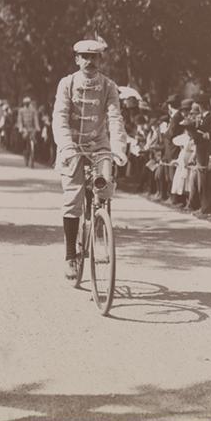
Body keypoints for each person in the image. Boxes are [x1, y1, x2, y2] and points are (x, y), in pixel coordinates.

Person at [52, 38, 127, 279]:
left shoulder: (109, 86)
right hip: (72, 146)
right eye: (84, 56)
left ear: (100, 60)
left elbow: (115, 119)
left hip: (99, 146)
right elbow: (59, 117)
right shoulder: (67, 83)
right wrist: (66, 145)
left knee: (104, 187)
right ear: (77, 59)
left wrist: (119, 149)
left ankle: (99, 227)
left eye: (93, 57)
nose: (89, 61)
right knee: (72, 197)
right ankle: (70, 256)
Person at [17, 96, 41, 162]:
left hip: (32, 128)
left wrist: (37, 127)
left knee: (34, 139)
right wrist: (21, 127)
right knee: (24, 139)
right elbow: (20, 120)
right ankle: (24, 151)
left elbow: (36, 119)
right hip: (24, 128)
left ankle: (33, 153)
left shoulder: (33, 110)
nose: (27, 104)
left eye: (28, 103)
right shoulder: (21, 110)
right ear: (24, 103)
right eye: (25, 103)